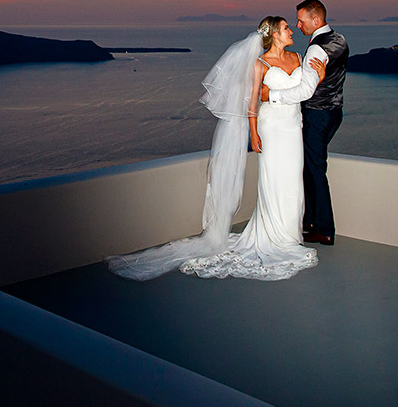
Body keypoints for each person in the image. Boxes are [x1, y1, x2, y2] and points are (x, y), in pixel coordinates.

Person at [107, 16, 325, 281]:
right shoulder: (260, 64)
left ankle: (291, 235)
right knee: (274, 182)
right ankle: (274, 237)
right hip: (271, 129)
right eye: (286, 28)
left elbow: (303, 89)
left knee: (293, 181)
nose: (291, 30)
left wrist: (320, 76)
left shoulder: (297, 57)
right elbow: (252, 104)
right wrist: (254, 134)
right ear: (274, 35)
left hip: (293, 127)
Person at [262, 0, 349, 246]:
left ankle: (324, 229)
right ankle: (309, 220)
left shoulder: (315, 50)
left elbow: (305, 92)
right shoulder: (340, 39)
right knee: (309, 167)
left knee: (315, 170)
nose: (298, 25)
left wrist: (273, 97)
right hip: (335, 113)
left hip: (316, 114)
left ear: (315, 20)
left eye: (301, 20)